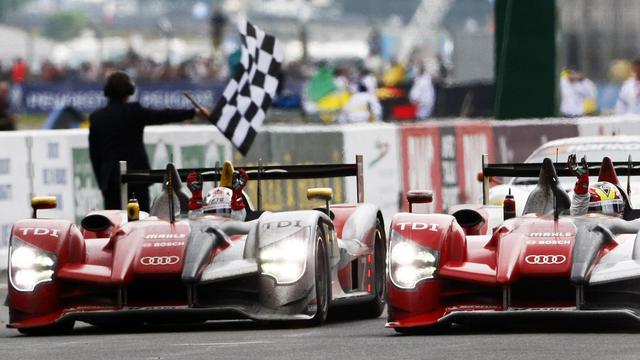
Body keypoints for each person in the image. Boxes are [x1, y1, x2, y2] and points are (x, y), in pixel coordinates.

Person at [89, 70, 208, 212]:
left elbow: (94, 155)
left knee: (114, 223)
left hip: (110, 182)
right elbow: (163, 115)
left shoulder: (96, 118)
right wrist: (192, 112)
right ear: (129, 90)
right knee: (141, 221)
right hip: (137, 178)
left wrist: (103, 183)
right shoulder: (134, 111)